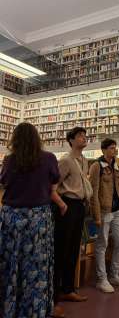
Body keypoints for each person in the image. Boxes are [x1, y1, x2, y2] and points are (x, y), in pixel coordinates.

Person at [0, 123, 63, 318]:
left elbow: (3, 181)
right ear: (37, 138)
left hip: (12, 217)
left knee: (12, 264)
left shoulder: (10, 160)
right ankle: (36, 309)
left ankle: (11, 307)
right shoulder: (49, 158)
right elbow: (55, 181)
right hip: (38, 218)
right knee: (38, 265)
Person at [53, 127, 89, 312]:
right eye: (80, 136)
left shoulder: (83, 161)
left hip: (79, 206)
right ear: (71, 140)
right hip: (67, 206)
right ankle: (55, 292)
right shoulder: (66, 160)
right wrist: (61, 204)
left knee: (74, 248)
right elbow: (53, 186)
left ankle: (68, 289)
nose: (84, 138)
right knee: (62, 248)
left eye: (85, 136)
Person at [89, 138, 119, 293]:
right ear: (104, 150)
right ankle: (102, 279)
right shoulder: (96, 166)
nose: (115, 150)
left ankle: (114, 274)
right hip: (104, 211)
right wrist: (97, 215)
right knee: (102, 245)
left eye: (115, 148)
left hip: (118, 211)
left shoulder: (117, 166)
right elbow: (93, 193)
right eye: (112, 148)